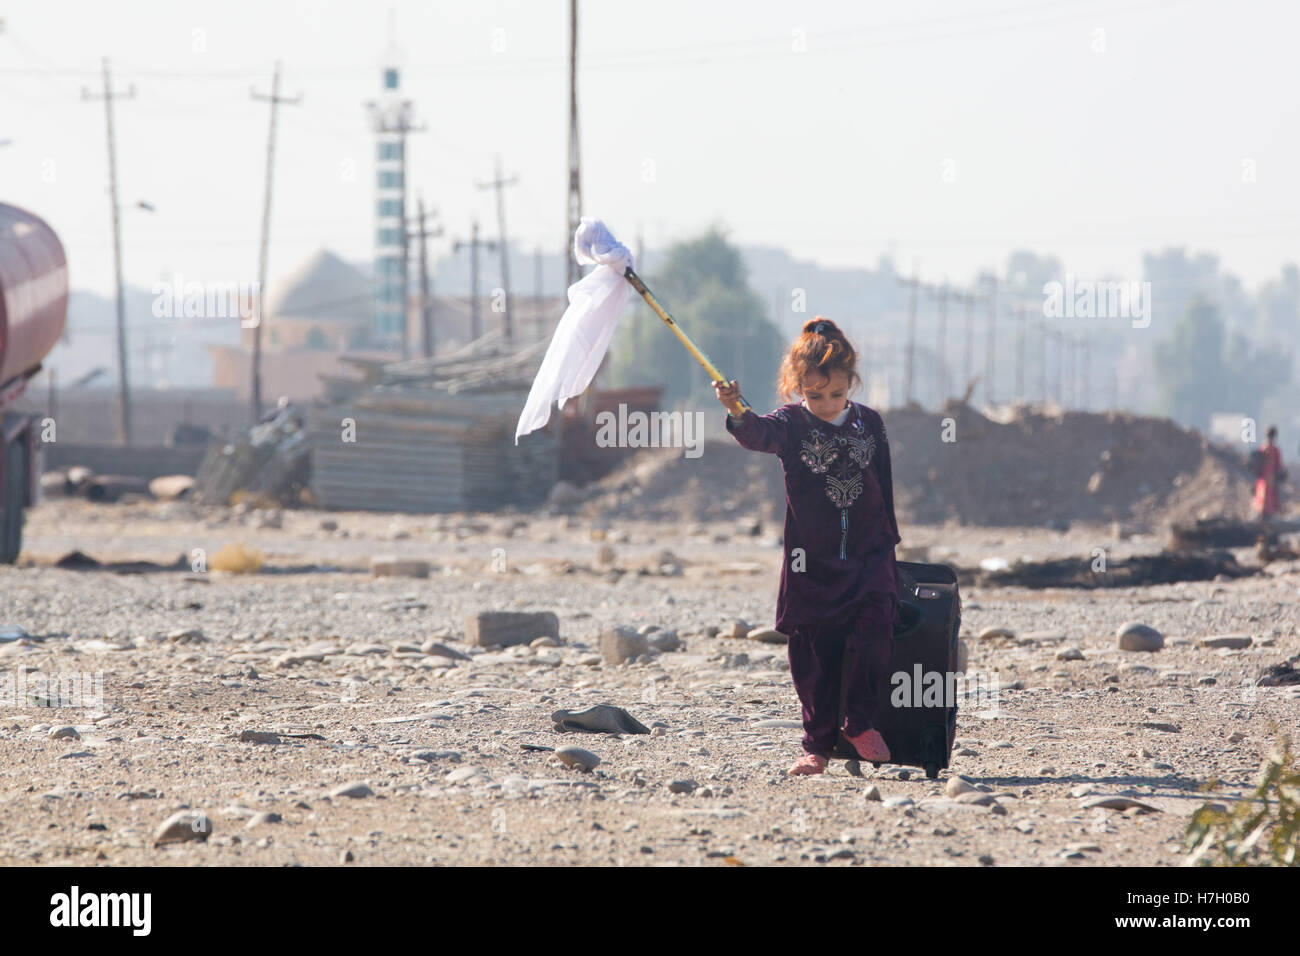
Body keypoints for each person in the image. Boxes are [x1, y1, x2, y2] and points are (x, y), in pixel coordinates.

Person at [713, 316, 901, 776]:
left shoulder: (870, 423)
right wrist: (736, 409)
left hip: (869, 554)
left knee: (875, 628)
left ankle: (860, 723)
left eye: (835, 394)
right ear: (797, 387)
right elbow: (756, 433)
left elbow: (884, 483)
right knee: (814, 652)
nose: (825, 403)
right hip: (810, 562)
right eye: (814, 395)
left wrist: (889, 543)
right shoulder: (790, 425)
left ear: (850, 383)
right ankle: (817, 745)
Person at [1253, 425, 1285, 520]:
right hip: (1266, 475)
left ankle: (1268, 514)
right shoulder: (1266, 448)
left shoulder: (1269, 448)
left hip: (1269, 475)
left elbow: (1278, 464)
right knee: (1265, 493)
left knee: (1269, 493)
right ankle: (1263, 513)